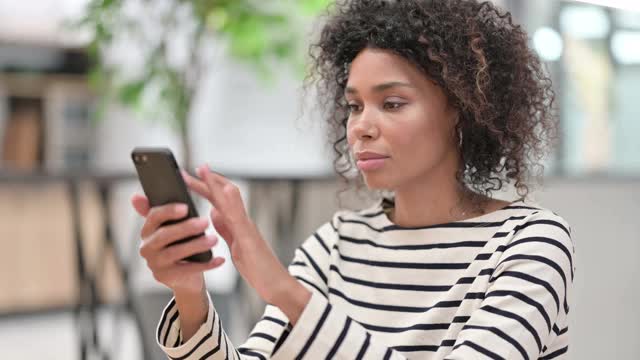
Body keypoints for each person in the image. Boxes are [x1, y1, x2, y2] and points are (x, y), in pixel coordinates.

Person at [130, 0, 575, 359]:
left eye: (393, 103)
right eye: (354, 106)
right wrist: (190, 294)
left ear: (461, 109)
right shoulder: (336, 244)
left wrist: (285, 291)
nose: (361, 125)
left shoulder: (528, 243)